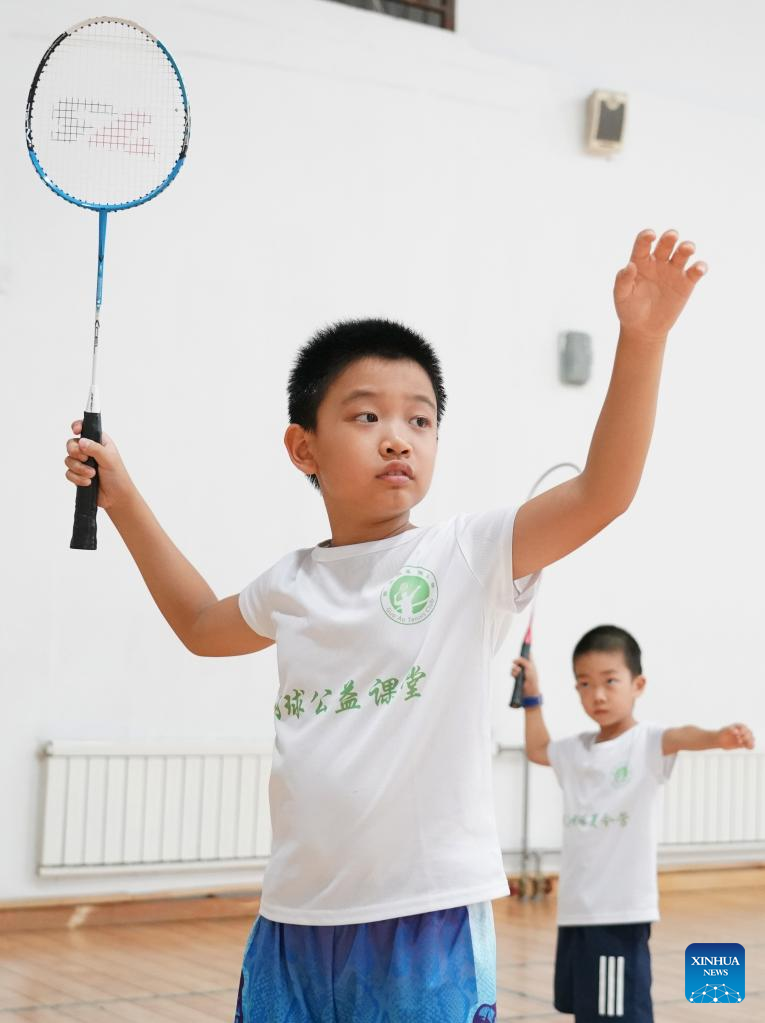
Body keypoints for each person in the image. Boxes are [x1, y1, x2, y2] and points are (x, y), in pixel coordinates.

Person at [65, 230, 705, 1022]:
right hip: (292, 917)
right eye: (366, 416)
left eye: (421, 419)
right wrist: (123, 499)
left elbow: (602, 490)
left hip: (426, 917)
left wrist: (641, 339)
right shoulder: (291, 582)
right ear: (304, 447)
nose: (399, 435)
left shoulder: (466, 554)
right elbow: (201, 622)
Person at [515, 625, 755, 1022]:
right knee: (588, 1011)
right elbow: (539, 749)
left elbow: (683, 735)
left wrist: (718, 737)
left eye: (610, 681)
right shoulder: (575, 752)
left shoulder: (645, 743)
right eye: (585, 684)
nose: (598, 695)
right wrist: (531, 697)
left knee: (620, 1015)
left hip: (619, 914)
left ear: (637, 684)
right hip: (576, 912)